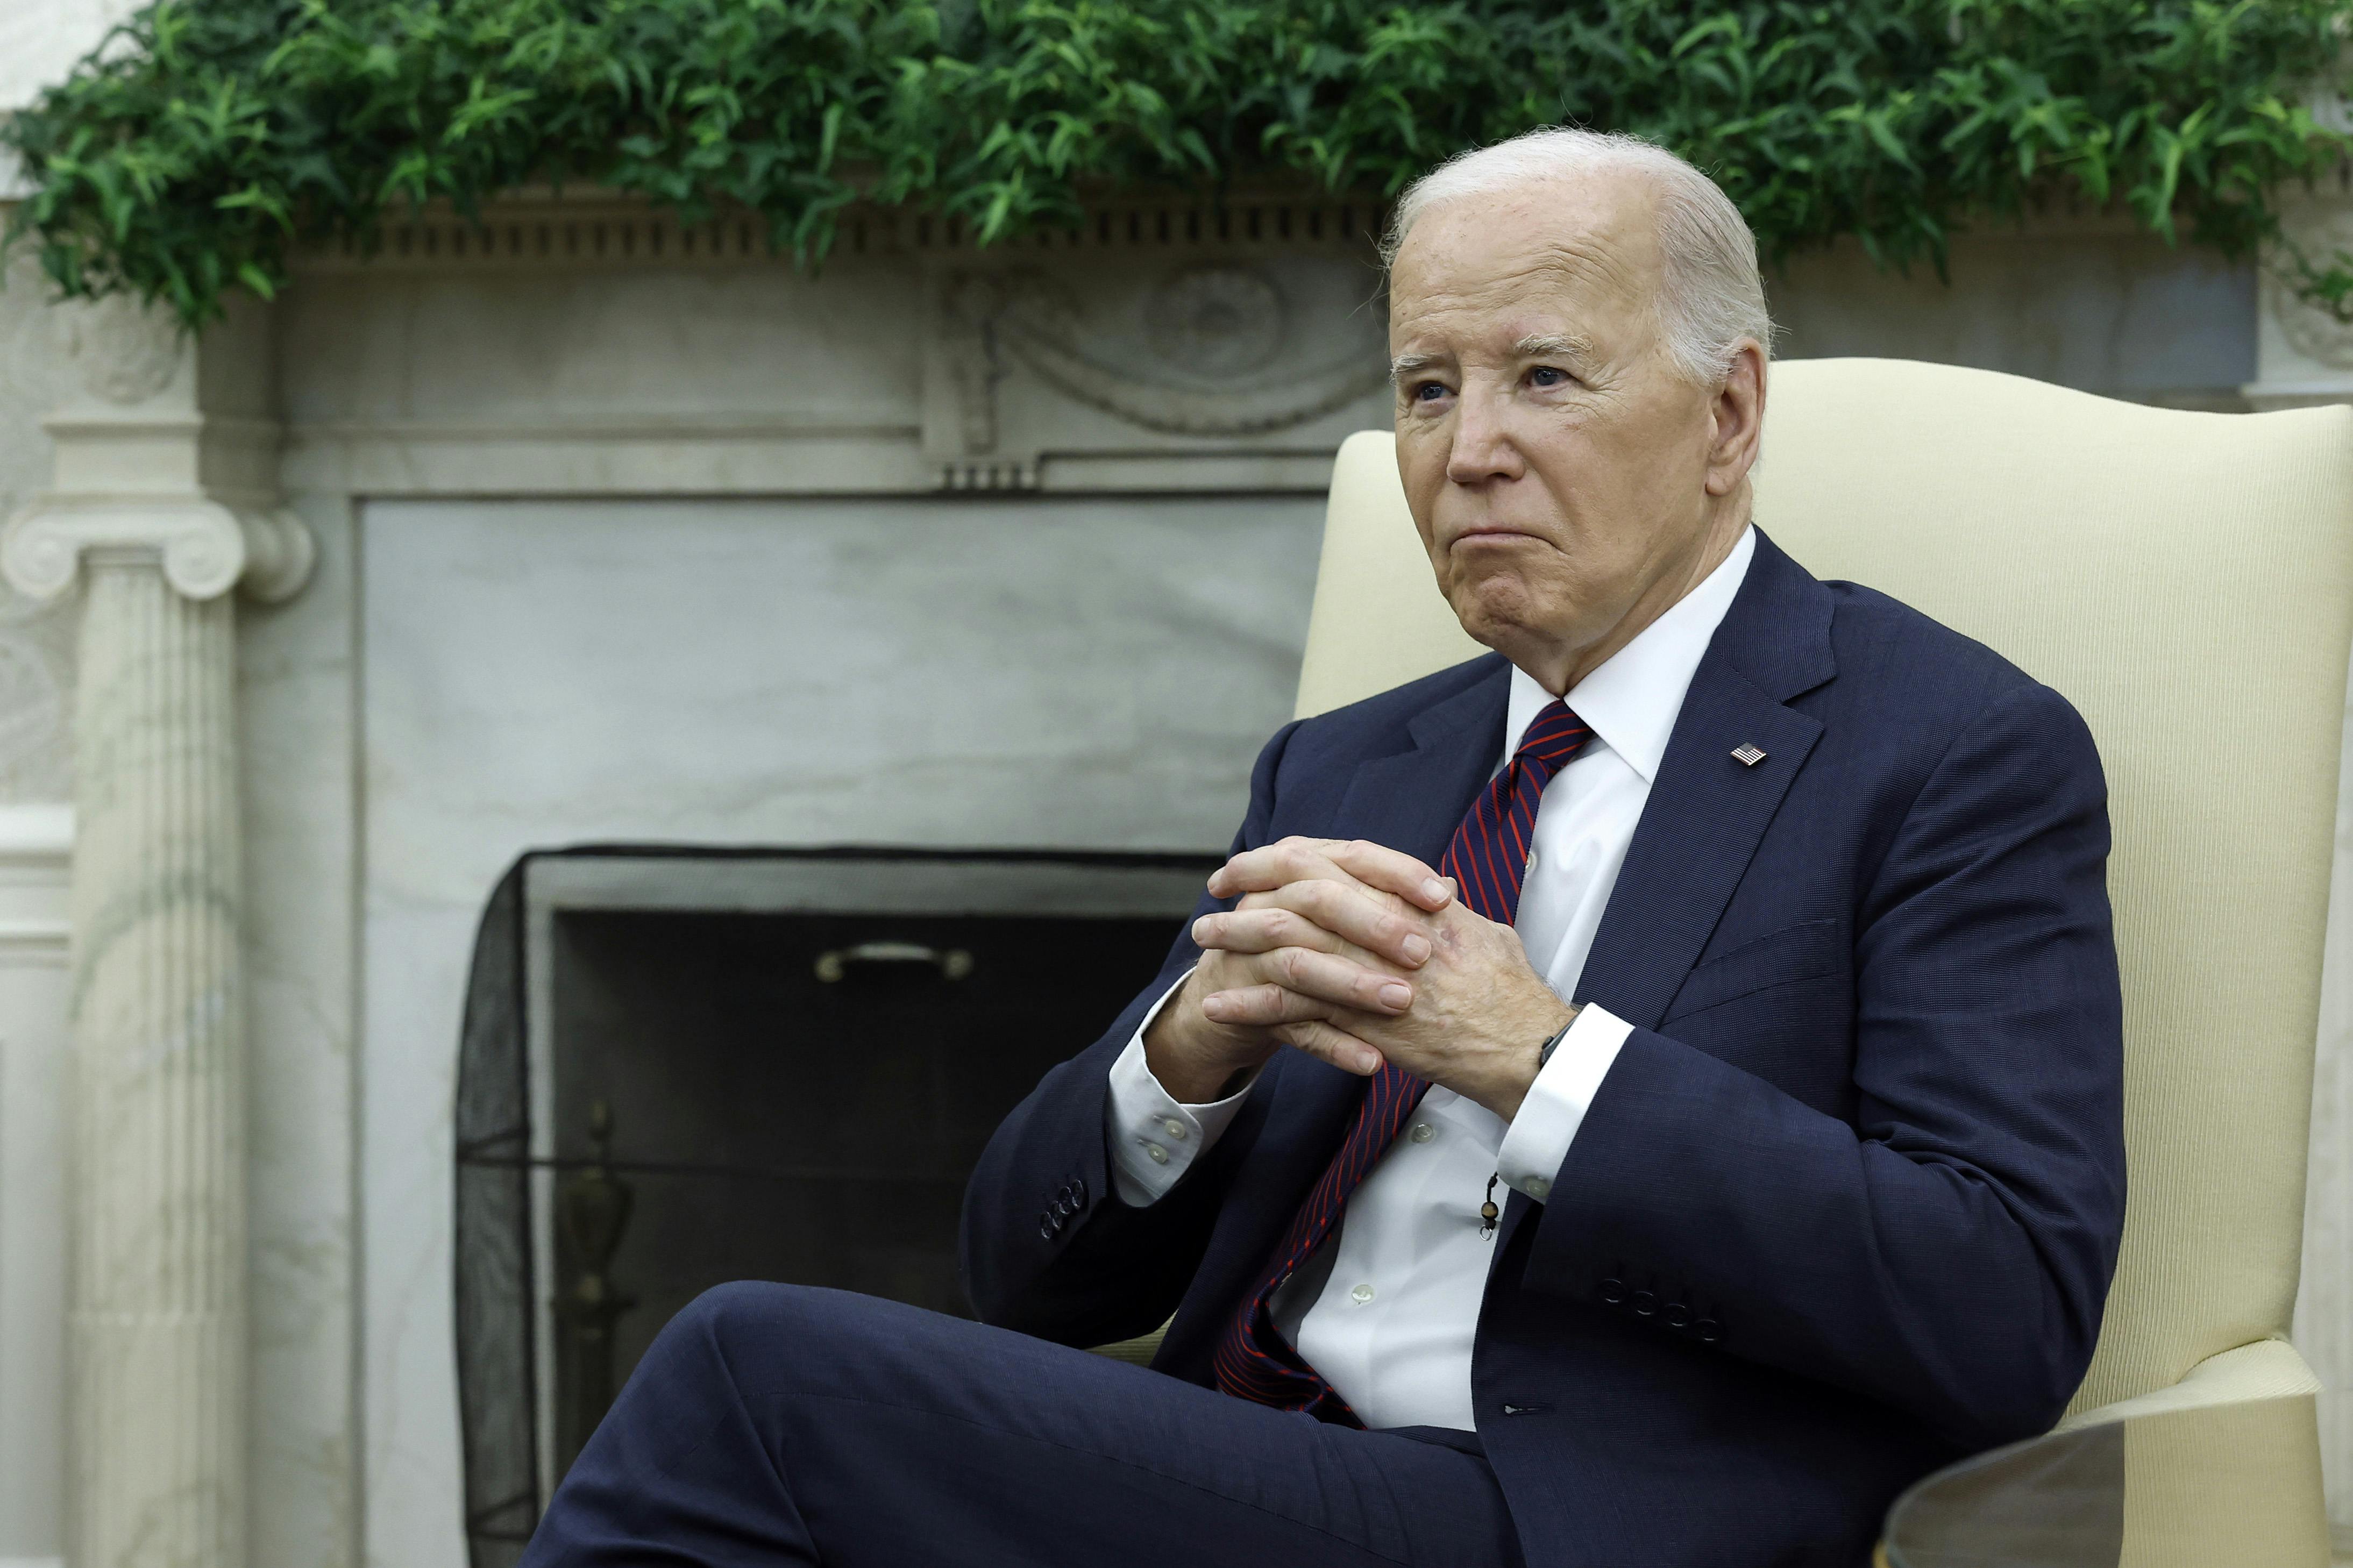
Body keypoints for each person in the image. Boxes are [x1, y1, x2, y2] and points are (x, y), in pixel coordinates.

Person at [521, 126, 2125, 1568]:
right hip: (1248, 1453)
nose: (1467, 449)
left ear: (1729, 410)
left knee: (753, 1376)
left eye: (1544, 377)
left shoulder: (1948, 750)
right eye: (1428, 388)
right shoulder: (1359, 758)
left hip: (1555, 1511)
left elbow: (2000, 1309)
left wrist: (1537, 1056)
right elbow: (1022, 1275)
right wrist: (1186, 1060)